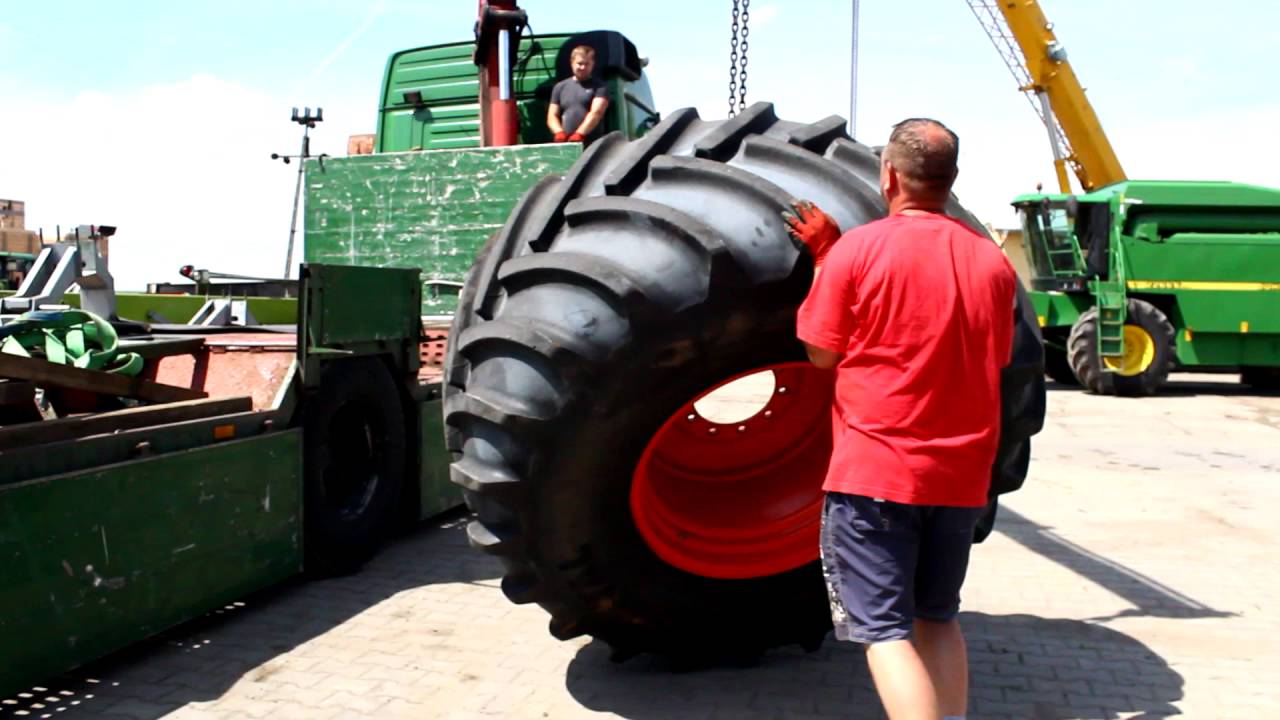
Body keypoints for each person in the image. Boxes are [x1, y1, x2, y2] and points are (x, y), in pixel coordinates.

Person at [784, 118, 1017, 720]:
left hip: (877, 477)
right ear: (952, 178)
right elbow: (996, 359)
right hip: (960, 479)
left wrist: (825, 259)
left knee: (885, 632)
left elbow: (821, 353)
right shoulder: (992, 262)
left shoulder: (858, 250)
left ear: (888, 175)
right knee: (938, 617)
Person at [547, 45, 609, 144]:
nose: (583, 67)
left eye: (587, 64)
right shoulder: (559, 87)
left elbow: (596, 113)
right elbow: (552, 115)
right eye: (579, 63)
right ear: (572, 63)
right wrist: (559, 132)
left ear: (593, 64)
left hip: (593, 145)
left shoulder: (600, 87)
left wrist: (580, 134)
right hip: (566, 144)